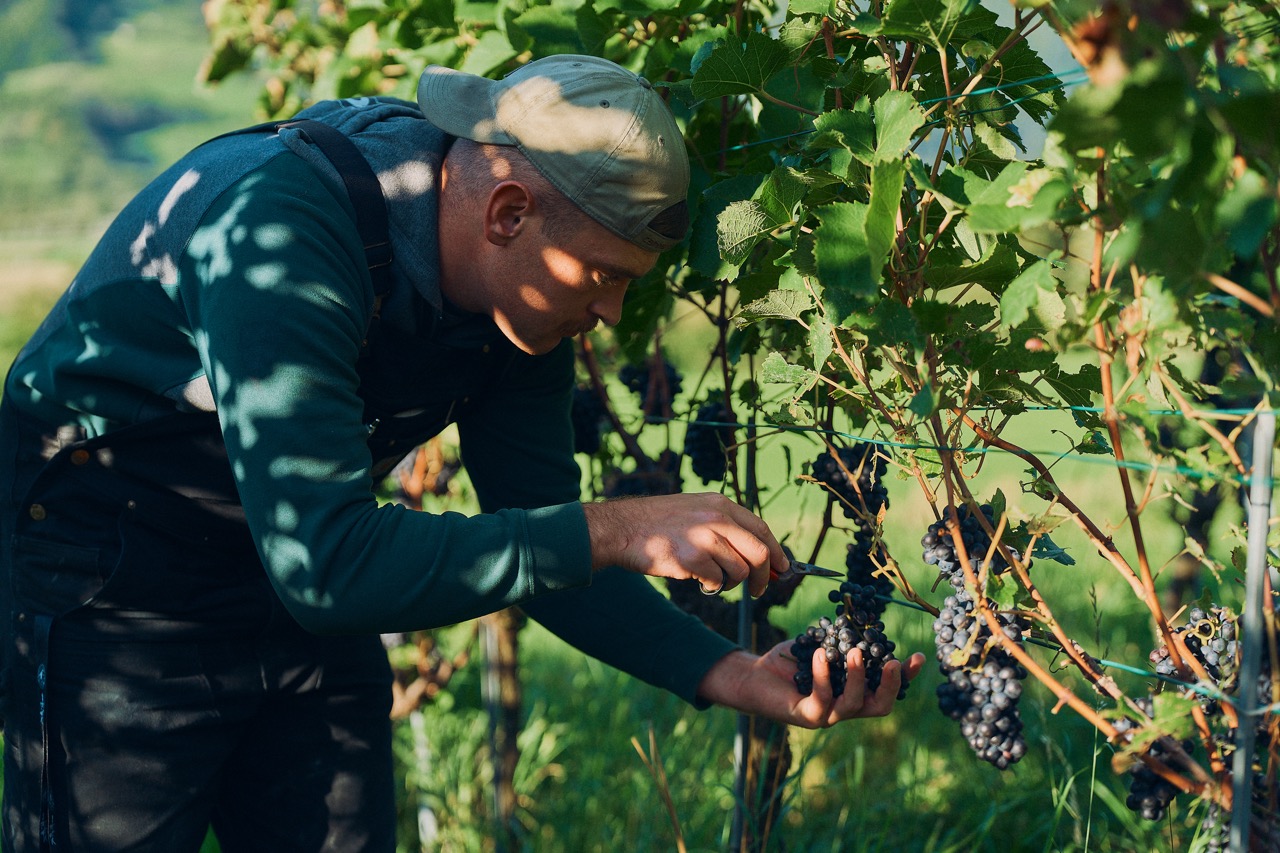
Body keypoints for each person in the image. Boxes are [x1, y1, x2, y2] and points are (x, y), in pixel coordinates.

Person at [0, 54, 924, 850]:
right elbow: (333, 567)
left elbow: (545, 543)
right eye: (604, 278)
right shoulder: (285, 230)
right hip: (112, 581)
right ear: (508, 212)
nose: (609, 314)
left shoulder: (520, 306)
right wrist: (616, 526)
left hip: (295, 586)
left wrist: (731, 672)